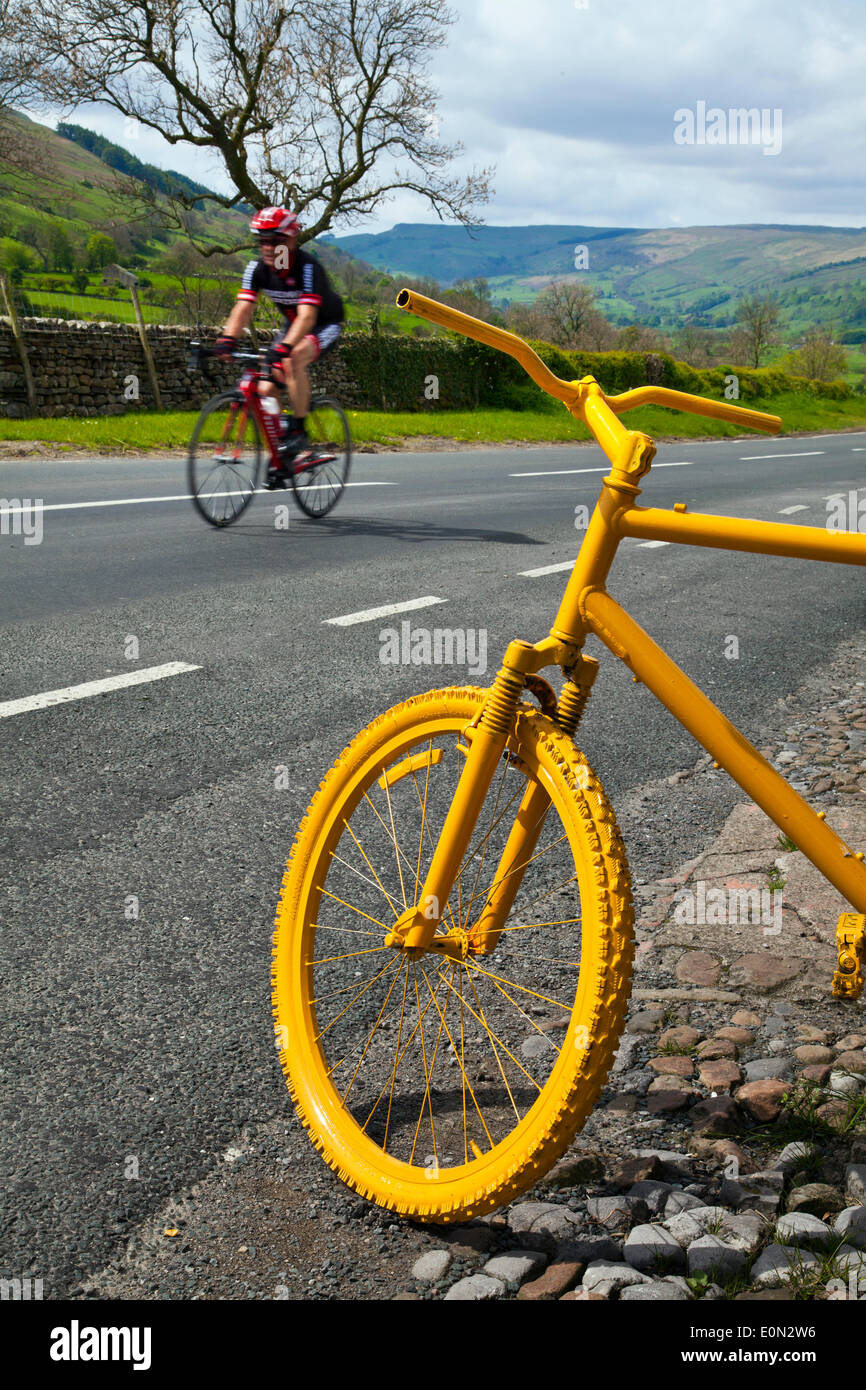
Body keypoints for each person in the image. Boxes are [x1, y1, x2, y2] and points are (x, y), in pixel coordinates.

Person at [214, 207, 345, 488]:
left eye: (275, 241)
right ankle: (283, 455)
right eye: (262, 241)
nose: (268, 248)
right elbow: (243, 307)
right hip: (293, 325)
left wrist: (284, 348)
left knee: (293, 357)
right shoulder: (257, 270)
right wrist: (227, 339)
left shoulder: (307, 267)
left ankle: (298, 429)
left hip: (323, 324)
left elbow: (308, 317)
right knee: (264, 389)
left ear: (291, 241)